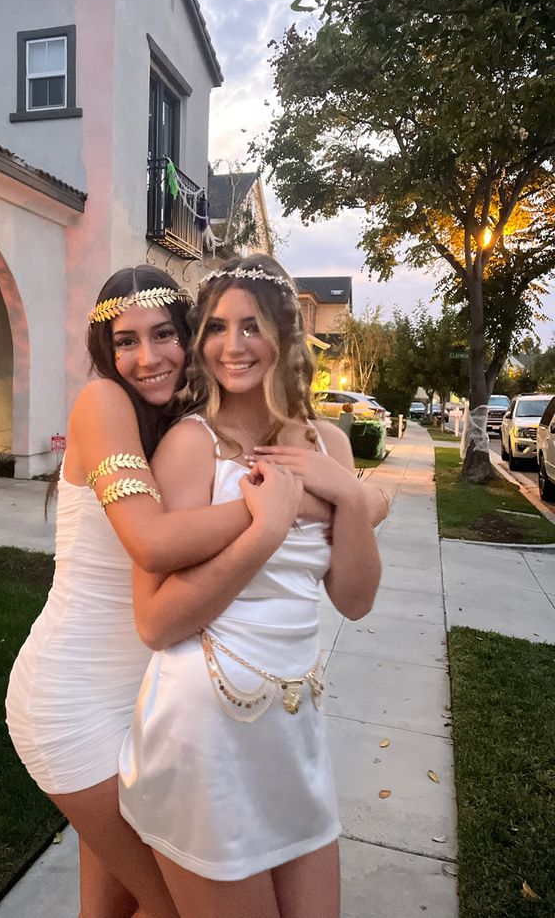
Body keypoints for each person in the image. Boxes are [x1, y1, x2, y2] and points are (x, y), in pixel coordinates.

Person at [5, 265, 311, 918]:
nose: (145, 358)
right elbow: (151, 540)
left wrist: (354, 499)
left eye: (164, 334)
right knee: (175, 904)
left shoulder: (183, 424)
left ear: (190, 337)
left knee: (111, 909)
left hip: (141, 708)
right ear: (105, 351)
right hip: (72, 705)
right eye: (125, 341)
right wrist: (266, 514)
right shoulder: (103, 404)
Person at [119, 255, 382, 918]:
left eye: (251, 325)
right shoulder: (191, 444)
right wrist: (264, 529)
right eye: (215, 327)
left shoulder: (328, 446)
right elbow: (158, 621)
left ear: (286, 336)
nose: (232, 345)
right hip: (205, 727)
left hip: (293, 726)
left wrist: (351, 499)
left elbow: (354, 599)